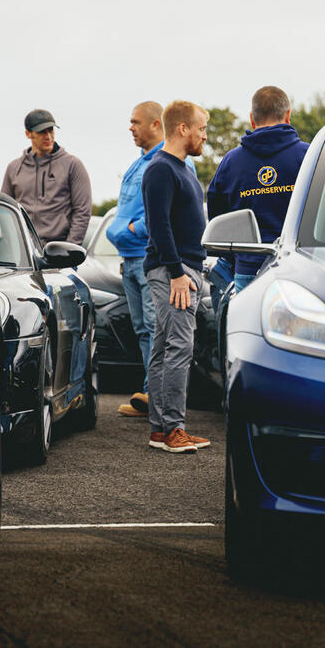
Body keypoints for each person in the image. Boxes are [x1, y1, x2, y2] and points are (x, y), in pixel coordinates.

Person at [107, 101, 195, 418]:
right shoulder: (139, 163)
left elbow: (164, 216)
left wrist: (132, 229)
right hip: (130, 260)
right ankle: (149, 394)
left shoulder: (168, 163)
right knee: (144, 330)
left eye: (135, 122)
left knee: (159, 329)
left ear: (156, 124)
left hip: (152, 260)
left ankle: (156, 402)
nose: (130, 128)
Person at [142, 100, 211, 454]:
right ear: (182, 128)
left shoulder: (184, 169)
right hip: (174, 272)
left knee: (164, 347)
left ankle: (161, 429)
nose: (204, 136)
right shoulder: (160, 169)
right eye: (201, 129)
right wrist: (176, 274)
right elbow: (159, 226)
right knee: (178, 349)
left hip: (186, 269)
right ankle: (173, 429)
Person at [206, 86, 309, 293]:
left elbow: (217, 219)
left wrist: (236, 256)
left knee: (247, 324)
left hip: (247, 268)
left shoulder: (230, 162)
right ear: (288, 115)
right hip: (298, 267)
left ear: (252, 119)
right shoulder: (308, 156)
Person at [1, 109, 92, 245]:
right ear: (28, 134)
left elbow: (82, 211)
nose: (48, 136)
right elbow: (5, 212)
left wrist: (69, 249)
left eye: (51, 131)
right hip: (24, 251)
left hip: (59, 251)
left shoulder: (73, 165)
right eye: (42, 132)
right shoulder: (13, 168)